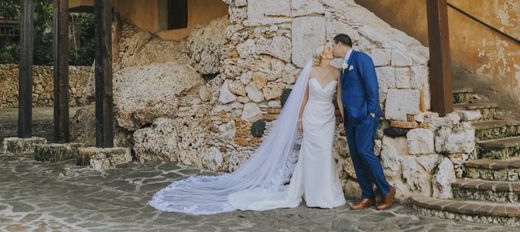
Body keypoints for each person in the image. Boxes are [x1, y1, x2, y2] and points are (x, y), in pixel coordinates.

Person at [149, 45, 345, 215]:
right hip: (311, 116)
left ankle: (326, 193)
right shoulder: (310, 71)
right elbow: (303, 99)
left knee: (325, 153)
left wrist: (344, 118)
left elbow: (338, 99)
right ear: (322, 53)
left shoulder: (337, 73)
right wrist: (300, 119)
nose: (331, 50)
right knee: (310, 154)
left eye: (331, 48)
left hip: (327, 117)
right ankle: (313, 194)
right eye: (328, 48)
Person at [332, 33, 396, 211]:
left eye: (333, 45)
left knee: (364, 151)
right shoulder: (344, 65)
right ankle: (367, 195)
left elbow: (372, 86)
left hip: (365, 116)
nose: (332, 49)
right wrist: (345, 119)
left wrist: (372, 113)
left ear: (340, 44)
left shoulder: (361, 58)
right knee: (356, 156)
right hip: (351, 119)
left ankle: (387, 190)